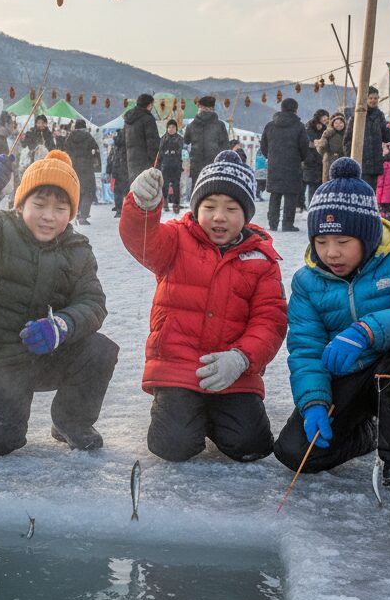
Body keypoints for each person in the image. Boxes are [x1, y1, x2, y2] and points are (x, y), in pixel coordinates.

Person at [273, 158, 390, 488]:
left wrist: (365, 332)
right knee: (294, 453)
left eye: (343, 242)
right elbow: (306, 350)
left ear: (367, 236)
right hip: (345, 376)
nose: (331, 253)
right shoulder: (308, 282)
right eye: (321, 242)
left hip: (388, 368)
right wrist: (314, 402)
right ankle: (367, 434)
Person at [0, 149, 118, 455]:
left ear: (71, 213)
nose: (49, 216)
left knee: (99, 349)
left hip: (45, 354)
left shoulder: (77, 250)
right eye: (39, 205)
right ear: (21, 203)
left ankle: (71, 421)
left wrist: (61, 326)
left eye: (60, 208)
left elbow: (93, 302)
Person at [120, 151, 287, 462]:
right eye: (209, 207)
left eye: (231, 209)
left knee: (252, 446)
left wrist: (241, 358)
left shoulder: (262, 259)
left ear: (247, 214)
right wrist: (142, 208)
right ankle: (185, 411)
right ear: (196, 209)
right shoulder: (176, 239)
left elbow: (270, 321)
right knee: (173, 446)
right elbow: (141, 240)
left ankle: (211, 415)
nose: (219, 217)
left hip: (234, 374)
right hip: (178, 367)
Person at [259, 97, 308, 232]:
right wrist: (300, 158)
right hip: (292, 165)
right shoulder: (299, 126)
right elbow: (304, 146)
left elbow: (263, 145)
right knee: (290, 196)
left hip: (274, 164)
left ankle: (272, 224)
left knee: (275, 195)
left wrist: (270, 156)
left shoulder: (270, 125)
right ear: (295, 110)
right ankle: (287, 224)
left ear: (281, 108)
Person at [342, 86, 390, 191]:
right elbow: (347, 140)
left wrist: (388, 130)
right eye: (370, 98)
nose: (373, 100)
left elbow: (386, 138)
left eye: (375, 98)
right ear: (365, 99)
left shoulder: (380, 116)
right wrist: (351, 158)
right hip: (360, 161)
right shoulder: (357, 116)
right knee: (360, 190)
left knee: (371, 191)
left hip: (375, 161)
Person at [184, 95, 230, 185]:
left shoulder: (191, 125)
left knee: (197, 192)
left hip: (196, 166)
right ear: (212, 108)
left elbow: (186, 140)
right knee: (212, 192)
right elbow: (226, 148)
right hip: (214, 165)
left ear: (201, 108)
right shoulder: (220, 125)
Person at [63, 119, 101, 225]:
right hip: (87, 167)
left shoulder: (69, 138)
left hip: (73, 167)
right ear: (84, 126)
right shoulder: (88, 136)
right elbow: (95, 149)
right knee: (88, 191)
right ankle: (83, 216)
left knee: (76, 191)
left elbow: (65, 150)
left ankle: (76, 213)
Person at [123, 93, 159, 184]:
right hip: (145, 161)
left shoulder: (128, 120)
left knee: (135, 190)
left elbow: (123, 140)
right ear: (149, 104)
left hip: (130, 160)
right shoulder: (148, 119)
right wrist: (154, 162)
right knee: (146, 190)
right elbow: (153, 143)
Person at [302, 109, 329, 205]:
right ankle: (312, 207)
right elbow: (312, 141)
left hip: (320, 161)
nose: (326, 119)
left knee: (320, 186)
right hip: (311, 162)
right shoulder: (309, 127)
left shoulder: (325, 127)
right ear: (319, 117)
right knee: (313, 187)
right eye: (324, 116)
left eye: (327, 116)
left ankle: (318, 206)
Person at [157, 120, 184, 212]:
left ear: (176, 128)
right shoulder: (163, 138)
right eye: (169, 127)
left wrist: (171, 151)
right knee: (165, 185)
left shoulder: (179, 138)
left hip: (176, 166)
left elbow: (179, 149)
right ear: (167, 128)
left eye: (173, 127)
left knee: (176, 185)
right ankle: (165, 202)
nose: (171, 129)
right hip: (165, 165)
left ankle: (176, 204)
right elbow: (160, 151)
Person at [314, 112, 346, 182]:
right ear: (332, 123)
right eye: (336, 122)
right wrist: (321, 144)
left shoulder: (348, 133)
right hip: (330, 161)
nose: (339, 125)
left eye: (341, 122)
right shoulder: (328, 133)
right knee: (330, 183)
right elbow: (320, 150)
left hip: (344, 161)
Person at [376, 132, 390, 220]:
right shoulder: (379, 145)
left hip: (389, 171)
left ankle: (388, 215)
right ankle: (383, 214)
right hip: (383, 170)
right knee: (380, 198)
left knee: (386, 199)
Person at [109, 128, 129, 217]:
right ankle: (122, 209)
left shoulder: (116, 146)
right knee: (125, 190)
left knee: (117, 191)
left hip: (117, 169)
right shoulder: (127, 144)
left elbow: (111, 158)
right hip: (125, 170)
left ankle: (119, 209)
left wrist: (109, 169)